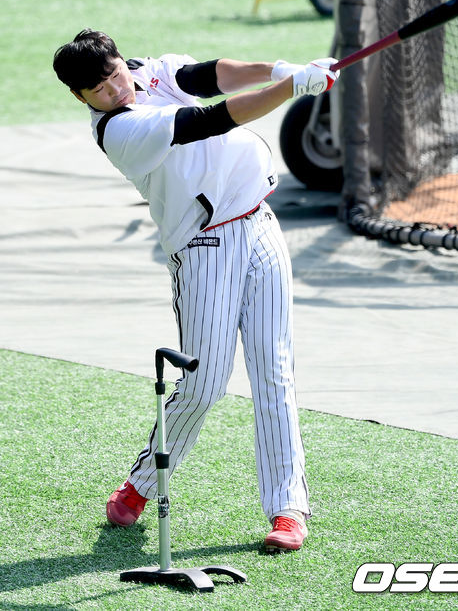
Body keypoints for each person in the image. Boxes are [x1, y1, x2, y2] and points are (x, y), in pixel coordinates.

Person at [53, 29, 339, 552]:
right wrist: (292, 87)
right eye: (98, 89)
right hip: (204, 246)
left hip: (260, 222)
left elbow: (208, 76)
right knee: (204, 385)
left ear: (121, 61)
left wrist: (275, 69)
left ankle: (288, 509)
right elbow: (210, 118)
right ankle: (141, 484)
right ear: (80, 97)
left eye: (114, 75)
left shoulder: (144, 71)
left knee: (274, 371)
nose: (114, 89)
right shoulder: (119, 130)